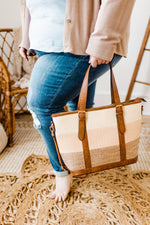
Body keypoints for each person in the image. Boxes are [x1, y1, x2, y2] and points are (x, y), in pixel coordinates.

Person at [19, 0, 135, 202]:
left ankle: (62, 171)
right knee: (78, 107)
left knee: (41, 105)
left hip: (86, 43)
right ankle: (79, 162)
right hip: (47, 43)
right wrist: (26, 38)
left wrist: (103, 41)